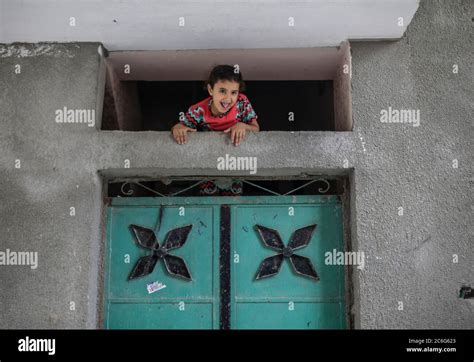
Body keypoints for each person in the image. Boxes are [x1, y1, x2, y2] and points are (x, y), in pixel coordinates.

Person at [171, 64, 260, 146]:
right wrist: (178, 128)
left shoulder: (242, 102)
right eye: (222, 91)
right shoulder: (198, 111)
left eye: (233, 93)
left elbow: (256, 128)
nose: (228, 99)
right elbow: (179, 127)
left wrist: (242, 126)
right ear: (210, 90)